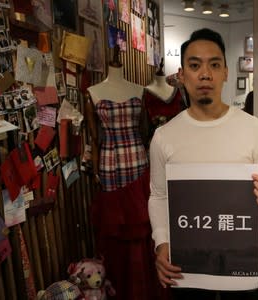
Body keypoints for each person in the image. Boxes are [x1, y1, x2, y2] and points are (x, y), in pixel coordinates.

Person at [148, 28, 258, 300]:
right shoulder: (164, 137)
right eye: (195, 65)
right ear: (181, 75)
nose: (205, 74)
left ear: (226, 72)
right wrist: (161, 243)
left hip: (241, 263)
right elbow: (159, 195)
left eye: (214, 65)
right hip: (188, 266)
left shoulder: (253, 128)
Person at [86, 54, 168, 300]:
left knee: (143, 227)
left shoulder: (139, 89)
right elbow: (94, 136)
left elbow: (144, 129)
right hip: (109, 166)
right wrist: (95, 169)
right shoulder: (93, 91)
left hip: (138, 163)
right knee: (117, 233)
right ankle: (121, 288)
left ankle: (146, 285)